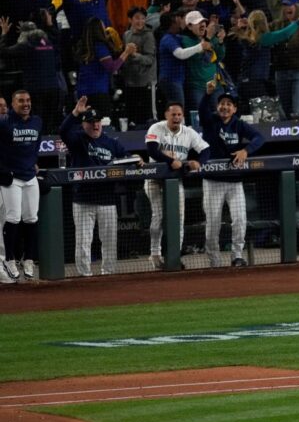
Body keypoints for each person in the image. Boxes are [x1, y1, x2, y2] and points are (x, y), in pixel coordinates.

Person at [59, 97, 142, 276]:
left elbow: (128, 157)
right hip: (83, 199)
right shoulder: (77, 140)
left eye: (97, 122)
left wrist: (137, 158)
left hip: (107, 199)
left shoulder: (111, 143)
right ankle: (84, 275)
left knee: (110, 241)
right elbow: (63, 131)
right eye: (90, 122)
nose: (95, 126)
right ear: (83, 124)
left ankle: (109, 274)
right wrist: (74, 113)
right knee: (83, 241)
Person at [198, 81, 266, 267]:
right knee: (213, 223)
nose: (225, 107)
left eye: (229, 104)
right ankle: (214, 260)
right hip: (213, 181)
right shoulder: (211, 120)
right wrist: (207, 94)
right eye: (222, 103)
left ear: (234, 109)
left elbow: (260, 138)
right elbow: (202, 111)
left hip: (234, 181)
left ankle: (237, 256)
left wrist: (246, 150)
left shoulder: (239, 124)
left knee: (239, 219)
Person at [144, 102, 211, 269]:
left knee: (178, 218)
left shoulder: (188, 132)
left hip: (175, 181)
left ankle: (174, 256)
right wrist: (170, 160)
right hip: (154, 179)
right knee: (159, 217)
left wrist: (199, 162)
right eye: (173, 114)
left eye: (179, 115)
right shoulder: (156, 128)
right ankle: (155, 254)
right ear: (166, 115)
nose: (176, 118)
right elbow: (151, 150)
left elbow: (206, 149)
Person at [0, 91, 43, 283]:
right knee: (13, 217)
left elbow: (36, 145)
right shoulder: (4, 122)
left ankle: (29, 259)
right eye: (21, 101)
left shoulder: (37, 122)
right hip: (12, 178)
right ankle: (9, 259)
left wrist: (33, 161)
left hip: (30, 177)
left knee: (32, 218)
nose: (25, 104)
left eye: (28, 100)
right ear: (12, 104)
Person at [75, 17, 137, 119]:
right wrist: (126, 52)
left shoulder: (83, 47)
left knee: (86, 125)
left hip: (82, 93)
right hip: (98, 93)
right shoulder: (100, 47)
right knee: (103, 124)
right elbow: (112, 67)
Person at [157, 9, 209, 111]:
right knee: (177, 108)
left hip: (178, 79)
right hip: (170, 80)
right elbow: (180, 54)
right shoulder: (167, 39)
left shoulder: (177, 37)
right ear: (172, 23)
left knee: (179, 107)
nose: (182, 22)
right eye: (178, 20)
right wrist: (200, 47)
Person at [182, 10, 226, 112]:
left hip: (215, 85)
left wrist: (220, 41)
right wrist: (208, 37)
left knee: (222, 114)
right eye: (198, 23)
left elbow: (220, 57)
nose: (202, 25)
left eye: (203, 22)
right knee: (201, 116)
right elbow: (197, 55)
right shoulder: (186, 40)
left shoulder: (211, 38)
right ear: (189, 26)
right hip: (198, 87)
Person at [122, 7, 158, 128]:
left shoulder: (148, 36)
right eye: (137, 18)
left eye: (143, 18)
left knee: (149, 119)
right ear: (130, 20)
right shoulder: (126, 34)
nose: (140, 21)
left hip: (145, 83)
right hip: (130, 82)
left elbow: (150, 59)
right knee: (132, 119)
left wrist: (134, 54)